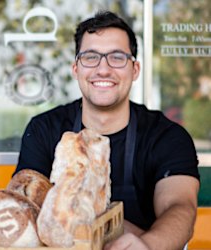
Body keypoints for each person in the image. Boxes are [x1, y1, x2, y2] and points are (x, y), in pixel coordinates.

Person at [14, 10, 200, 250]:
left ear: (135, 70)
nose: (103, 69)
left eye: (117, 57)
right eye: (91, 57)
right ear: (76, 69)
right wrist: (112, 228)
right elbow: (28, 211)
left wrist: (147, 245)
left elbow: (180, 207)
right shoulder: (44, 130)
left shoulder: (166, 137)